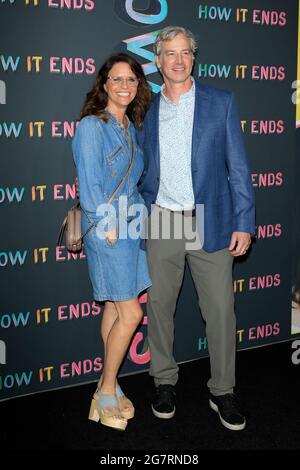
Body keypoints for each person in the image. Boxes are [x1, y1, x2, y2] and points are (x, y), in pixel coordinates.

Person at [137, 26, 255, 431]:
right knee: (159, 309)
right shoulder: (145, 108)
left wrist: (244, 221)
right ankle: (164, 381)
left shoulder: (220, 102)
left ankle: (223, 390)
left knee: (221, 312)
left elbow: (238, 168)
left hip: (211, 221)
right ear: (158, 60)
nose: (178, 60)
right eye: (169, 53)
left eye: (185, 52)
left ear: (193, 57)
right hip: (163, 220)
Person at [72, 53, 152, 431]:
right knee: (132, 314)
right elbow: (89, 185)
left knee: (115, 310)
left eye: (131, 80)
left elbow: (132, 186)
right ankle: (104, 391)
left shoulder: (129, 127)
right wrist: (107, 228)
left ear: (138, 86)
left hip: (131, 227)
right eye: (117, 79)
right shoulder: (92, 126)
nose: (124, 86)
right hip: (108, 231)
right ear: (104, 84)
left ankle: (111, 381)